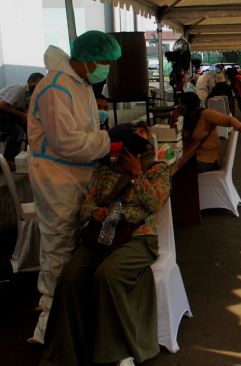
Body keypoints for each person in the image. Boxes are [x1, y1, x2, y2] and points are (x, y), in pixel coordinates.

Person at [41, 122, 168, 366]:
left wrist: (136, 174)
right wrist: (95, 212)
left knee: (107, 274)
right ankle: (65, 353)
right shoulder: (103, 172)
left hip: (138, 238)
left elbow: (155, 203)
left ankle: (115, 352)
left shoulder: (157, 171)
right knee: (70, 275)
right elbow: (86, 204)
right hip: (102, 236)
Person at [27, 30, 121, 344]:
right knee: (57, 246)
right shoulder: (55, 87)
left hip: (76, 174)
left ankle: (72, 312)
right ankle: (51, 325)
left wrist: (102, 124)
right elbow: (66, 141)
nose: (106, 67)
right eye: (104, 61)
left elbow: (79, 125)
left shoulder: (78, 83)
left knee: (72, 241)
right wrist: (110, 140)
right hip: (56, 177)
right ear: (85, 58)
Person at [173, 92, 241, 172]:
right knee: (172, 168)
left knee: (177, 171)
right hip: (192, 157)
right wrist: (172, 121)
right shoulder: (188, 118)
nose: (179, 106)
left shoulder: (205, 114)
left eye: (181, 104)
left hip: (209, 160)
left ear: (188, 105)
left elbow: (229, 120)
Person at [0, 73, 44, 161]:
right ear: (29, 82)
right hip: (1, 114)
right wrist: (22, 115)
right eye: (38, 84)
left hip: (8, 115)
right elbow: (2, 105)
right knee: (17, 130)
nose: (39, 88)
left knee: (31, 128)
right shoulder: (19, 89)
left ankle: (28, 157)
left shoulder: (32, 94)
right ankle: (8, 161)